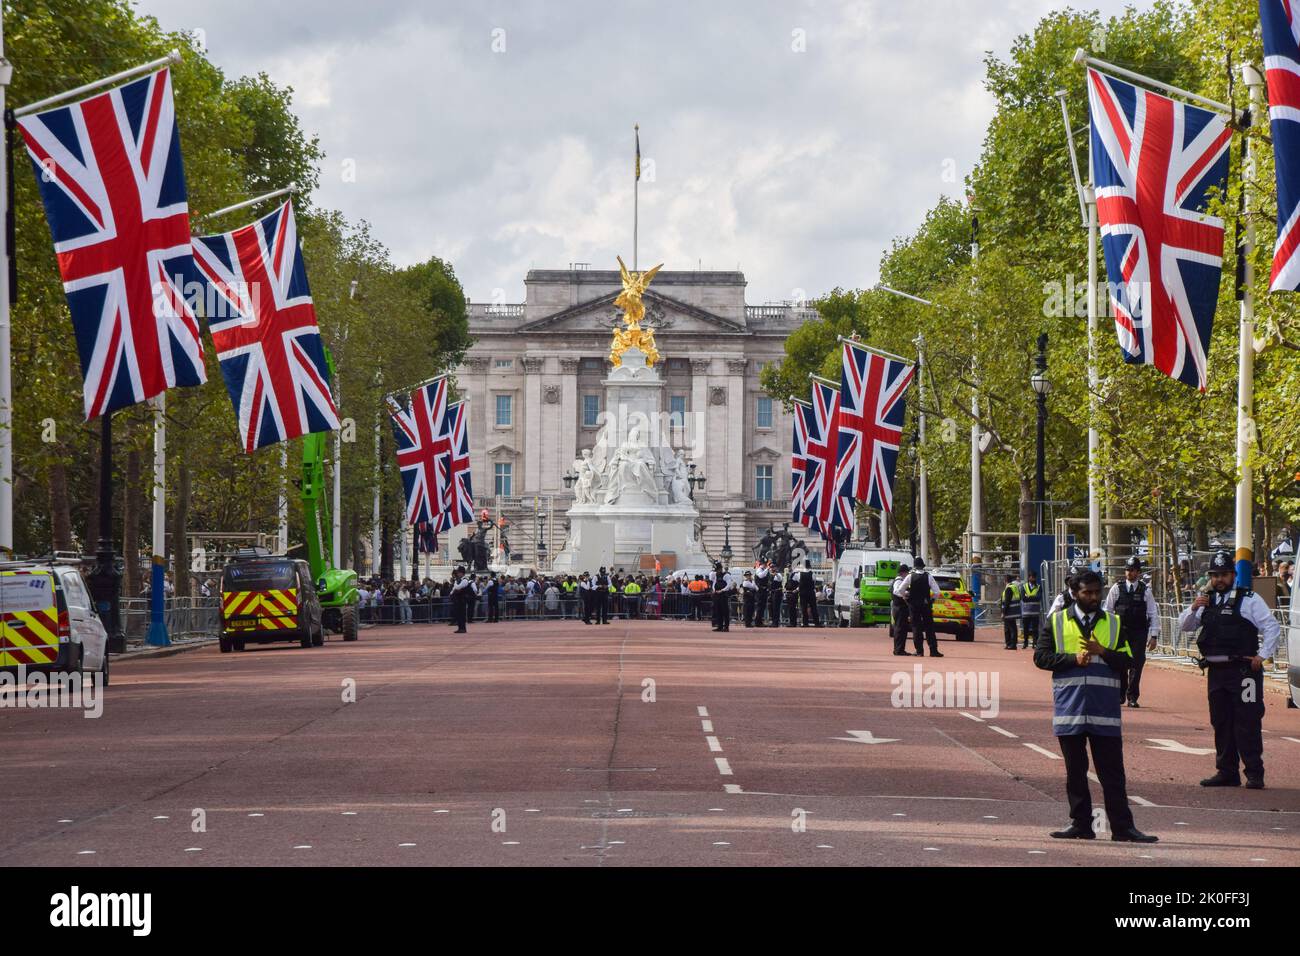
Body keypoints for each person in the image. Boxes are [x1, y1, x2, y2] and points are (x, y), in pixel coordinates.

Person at [1035, 569, 1156, 843]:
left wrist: (1103, 652)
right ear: (1074, 593)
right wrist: (1071, 660)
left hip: (1105, 711)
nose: (1093, 597)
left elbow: (1130, 660)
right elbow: (1041, 658)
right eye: (1087, 592)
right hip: (1070, 709)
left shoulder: (1113, 623)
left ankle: (1123, 828)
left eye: (1097, 592)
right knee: (1075, 773)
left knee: (1112, 774)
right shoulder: (1056, 622)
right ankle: (1081, 824)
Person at [1178, 550, 1281, 789]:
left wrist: (1262, 656)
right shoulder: (1206, 601)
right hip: (1217, 672)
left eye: (1224, 574)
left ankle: (1254, 773)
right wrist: (1193, 608)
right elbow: (1185, 626)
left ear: (1233, 575)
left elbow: (1271, 627)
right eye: (1215, 575)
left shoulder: (1249, 599)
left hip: (1244, 672)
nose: (1219, 580)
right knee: (1221, 722)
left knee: (1247, 722)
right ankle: (1226, 772)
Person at [1103, 557, 1159, 707]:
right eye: (1127, 569)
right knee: (1120, 663)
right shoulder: (1117, 588)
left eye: (1132, 570)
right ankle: (1120, 694)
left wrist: (1153, 636)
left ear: (1138, 572)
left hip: (1139, 633)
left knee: (1137, 664)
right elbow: (1107, 610)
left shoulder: (1145, 591)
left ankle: (1132, 697)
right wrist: (1108, 632)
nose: (1129, 573)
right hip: (1121, 633)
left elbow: (1153, 613)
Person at [906, 559, 943, 658]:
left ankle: (919, 651)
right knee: (929, 627)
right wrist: (932, 600)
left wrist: (906, 597)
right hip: (925, 604)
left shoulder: (910, 576)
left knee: (916, 628)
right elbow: (937, 592)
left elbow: (899, 590)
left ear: (914, 566)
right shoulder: (928, 576)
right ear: (923, 566)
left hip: (914, 605)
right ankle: (933, 650)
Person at [890, 564, 913, 656]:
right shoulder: (899, 581)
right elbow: (897, 591)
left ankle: (899, 649)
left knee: (902, 629)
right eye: (907, 572)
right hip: (899, 607)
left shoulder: (900, 580)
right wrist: (906, 594)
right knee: (900, 629)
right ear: (903, 572)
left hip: (899, 607)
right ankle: (899, 650)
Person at [1020, 571, 1042, 649]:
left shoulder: (1038, 587)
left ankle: (1035, 643)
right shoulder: (1024, 587)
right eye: (1031, 577)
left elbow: (1039, 597)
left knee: (1035, 629)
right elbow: (1023, 598)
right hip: (1026, 612)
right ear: (1029, 578)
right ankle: (1025, 643)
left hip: (1035, 612)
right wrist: (1033, 597)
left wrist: (1028, 596)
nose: (1033, 578)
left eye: (1034, 577)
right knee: (1026, 629)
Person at [1000, 573, 1021, 650]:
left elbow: (1007, 601)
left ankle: (1011, 644)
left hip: (1009, 612)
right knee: (1012, 628)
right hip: (1013, 611)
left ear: (1005, 580)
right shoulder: (1014, 587)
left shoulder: (1008, 588)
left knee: (1009, 629)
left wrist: (1003, 612)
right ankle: (1011, 644)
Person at [449, 567, 473, 633]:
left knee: (462, 614)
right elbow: (454, 589)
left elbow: (458, 587)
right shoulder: (459, 580)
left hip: (462, 599)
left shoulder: (465, 580)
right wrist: (451, 594)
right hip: (457, 599)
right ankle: (460, 627)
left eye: (458, 572)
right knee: (458, 614)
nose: (457, 574)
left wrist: (456, 583)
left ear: (462, 573)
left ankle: (463, 628)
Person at [710, 562, 732, 632]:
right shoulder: (716, 575)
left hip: (723, 595)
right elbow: (714, 583)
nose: (716, 571)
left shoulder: (726, 575)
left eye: (717, 570)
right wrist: (714, 589)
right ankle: (719, 626)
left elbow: (729, 585)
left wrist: (722, 590)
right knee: (718, 611)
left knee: (725, 611)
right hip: (717, 595)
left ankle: (726, 627)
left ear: (720, 569)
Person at [799, 560, 820, 627]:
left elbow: (798, 582)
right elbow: (814, 581)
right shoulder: (812, 573)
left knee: (804, 609)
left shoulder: (800, 573)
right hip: (811, 592)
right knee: (814, 608)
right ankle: (817, 623)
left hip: (803, 593)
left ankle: (805, 623)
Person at [754, 561, 771, 627]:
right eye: (764, 564)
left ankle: (760, 621)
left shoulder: (765, 570)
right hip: (760, 591)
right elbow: (761, 576)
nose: (765, 565)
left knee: (762, 607)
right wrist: (767, 569)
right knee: (760, 607)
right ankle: (757, 622)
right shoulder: (759, 570)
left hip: (764, 591)